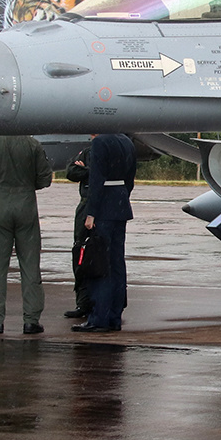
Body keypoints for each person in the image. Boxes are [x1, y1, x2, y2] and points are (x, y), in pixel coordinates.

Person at [0, 135, 52, 335]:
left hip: (0, 203)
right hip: (26, 203)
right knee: (30, 264)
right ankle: (31, 320)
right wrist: (25, 187)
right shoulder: (33, 144)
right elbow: (45, 178)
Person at [74, 132, 135, 333]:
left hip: (104, 207)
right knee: (117, 264)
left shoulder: (100, 142)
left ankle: (99, 317)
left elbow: (97, 178)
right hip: (120, 203)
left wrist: (91, 213)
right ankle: (114, 316)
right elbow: (130, 177)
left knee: (99, 263)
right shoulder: (126, 141)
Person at [63, 146, 93, 322]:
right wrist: (89, 171)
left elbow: (104, 174)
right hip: (84, 206)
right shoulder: (88, 151)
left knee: (100, 254)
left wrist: (86, 170)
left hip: (97, 204)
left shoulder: (107, 148)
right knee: (80, 252)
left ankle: (100, 301)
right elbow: (71, 171)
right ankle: (82, 302)